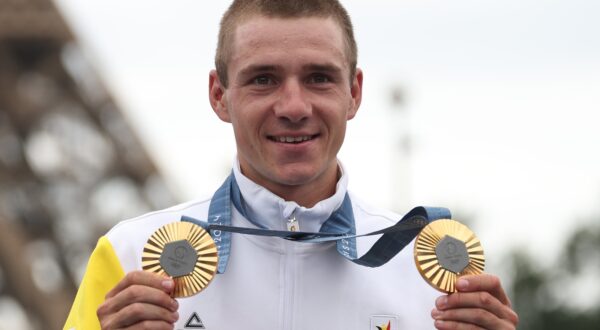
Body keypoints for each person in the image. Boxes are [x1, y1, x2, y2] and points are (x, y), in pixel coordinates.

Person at [64, 1, 519, 329]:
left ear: (354, 93)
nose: (294, 105)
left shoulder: (438, 271)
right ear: (219, 95)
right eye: (264, 79)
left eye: (319, 78)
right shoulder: (127, 254)